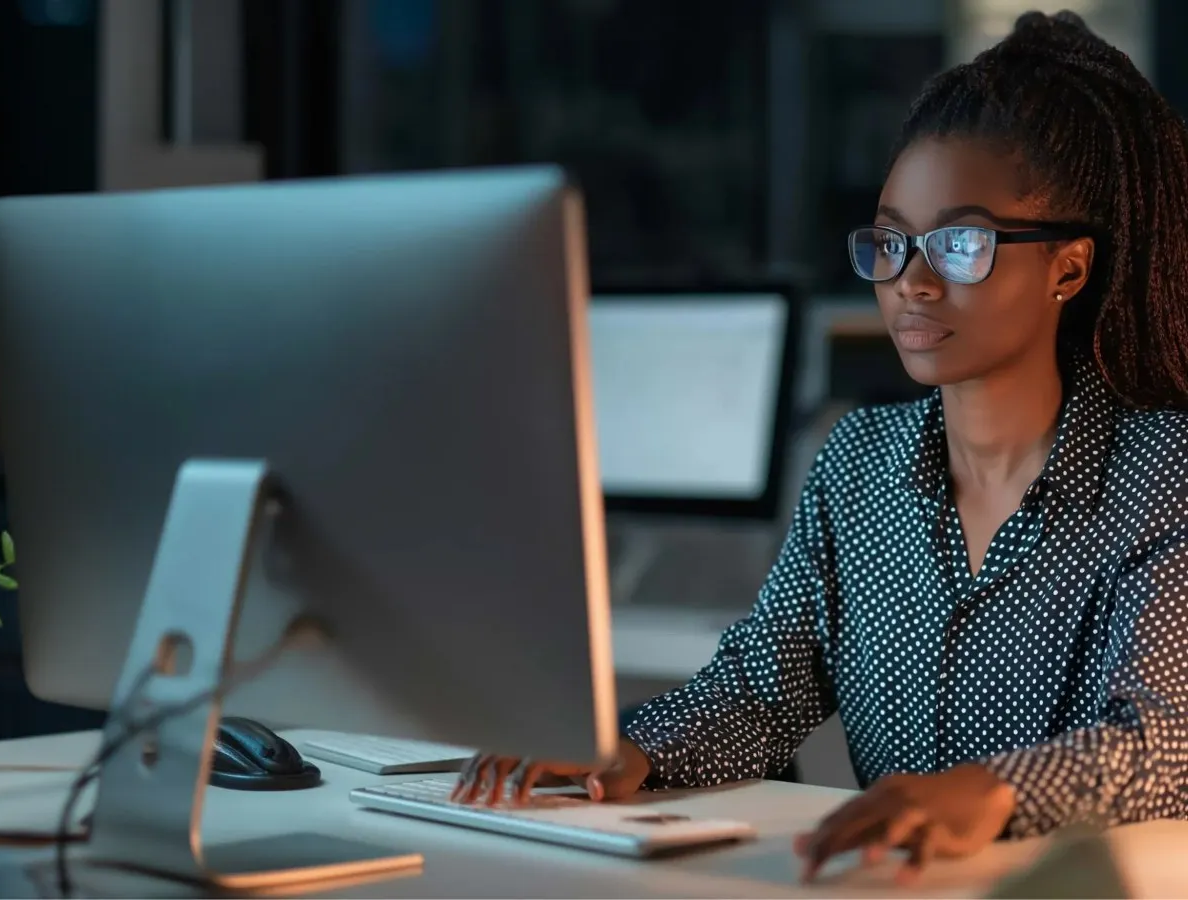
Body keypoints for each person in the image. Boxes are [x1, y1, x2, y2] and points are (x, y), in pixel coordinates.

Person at [452, 9, 1188, 884]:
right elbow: (764, 688)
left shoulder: (1162, 473)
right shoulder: (858, 465)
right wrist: (629, 752)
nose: (913, 280)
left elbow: (1163, 744)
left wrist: (987, 793)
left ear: (1067, 267)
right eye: (892, 241)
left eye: (960, 243)